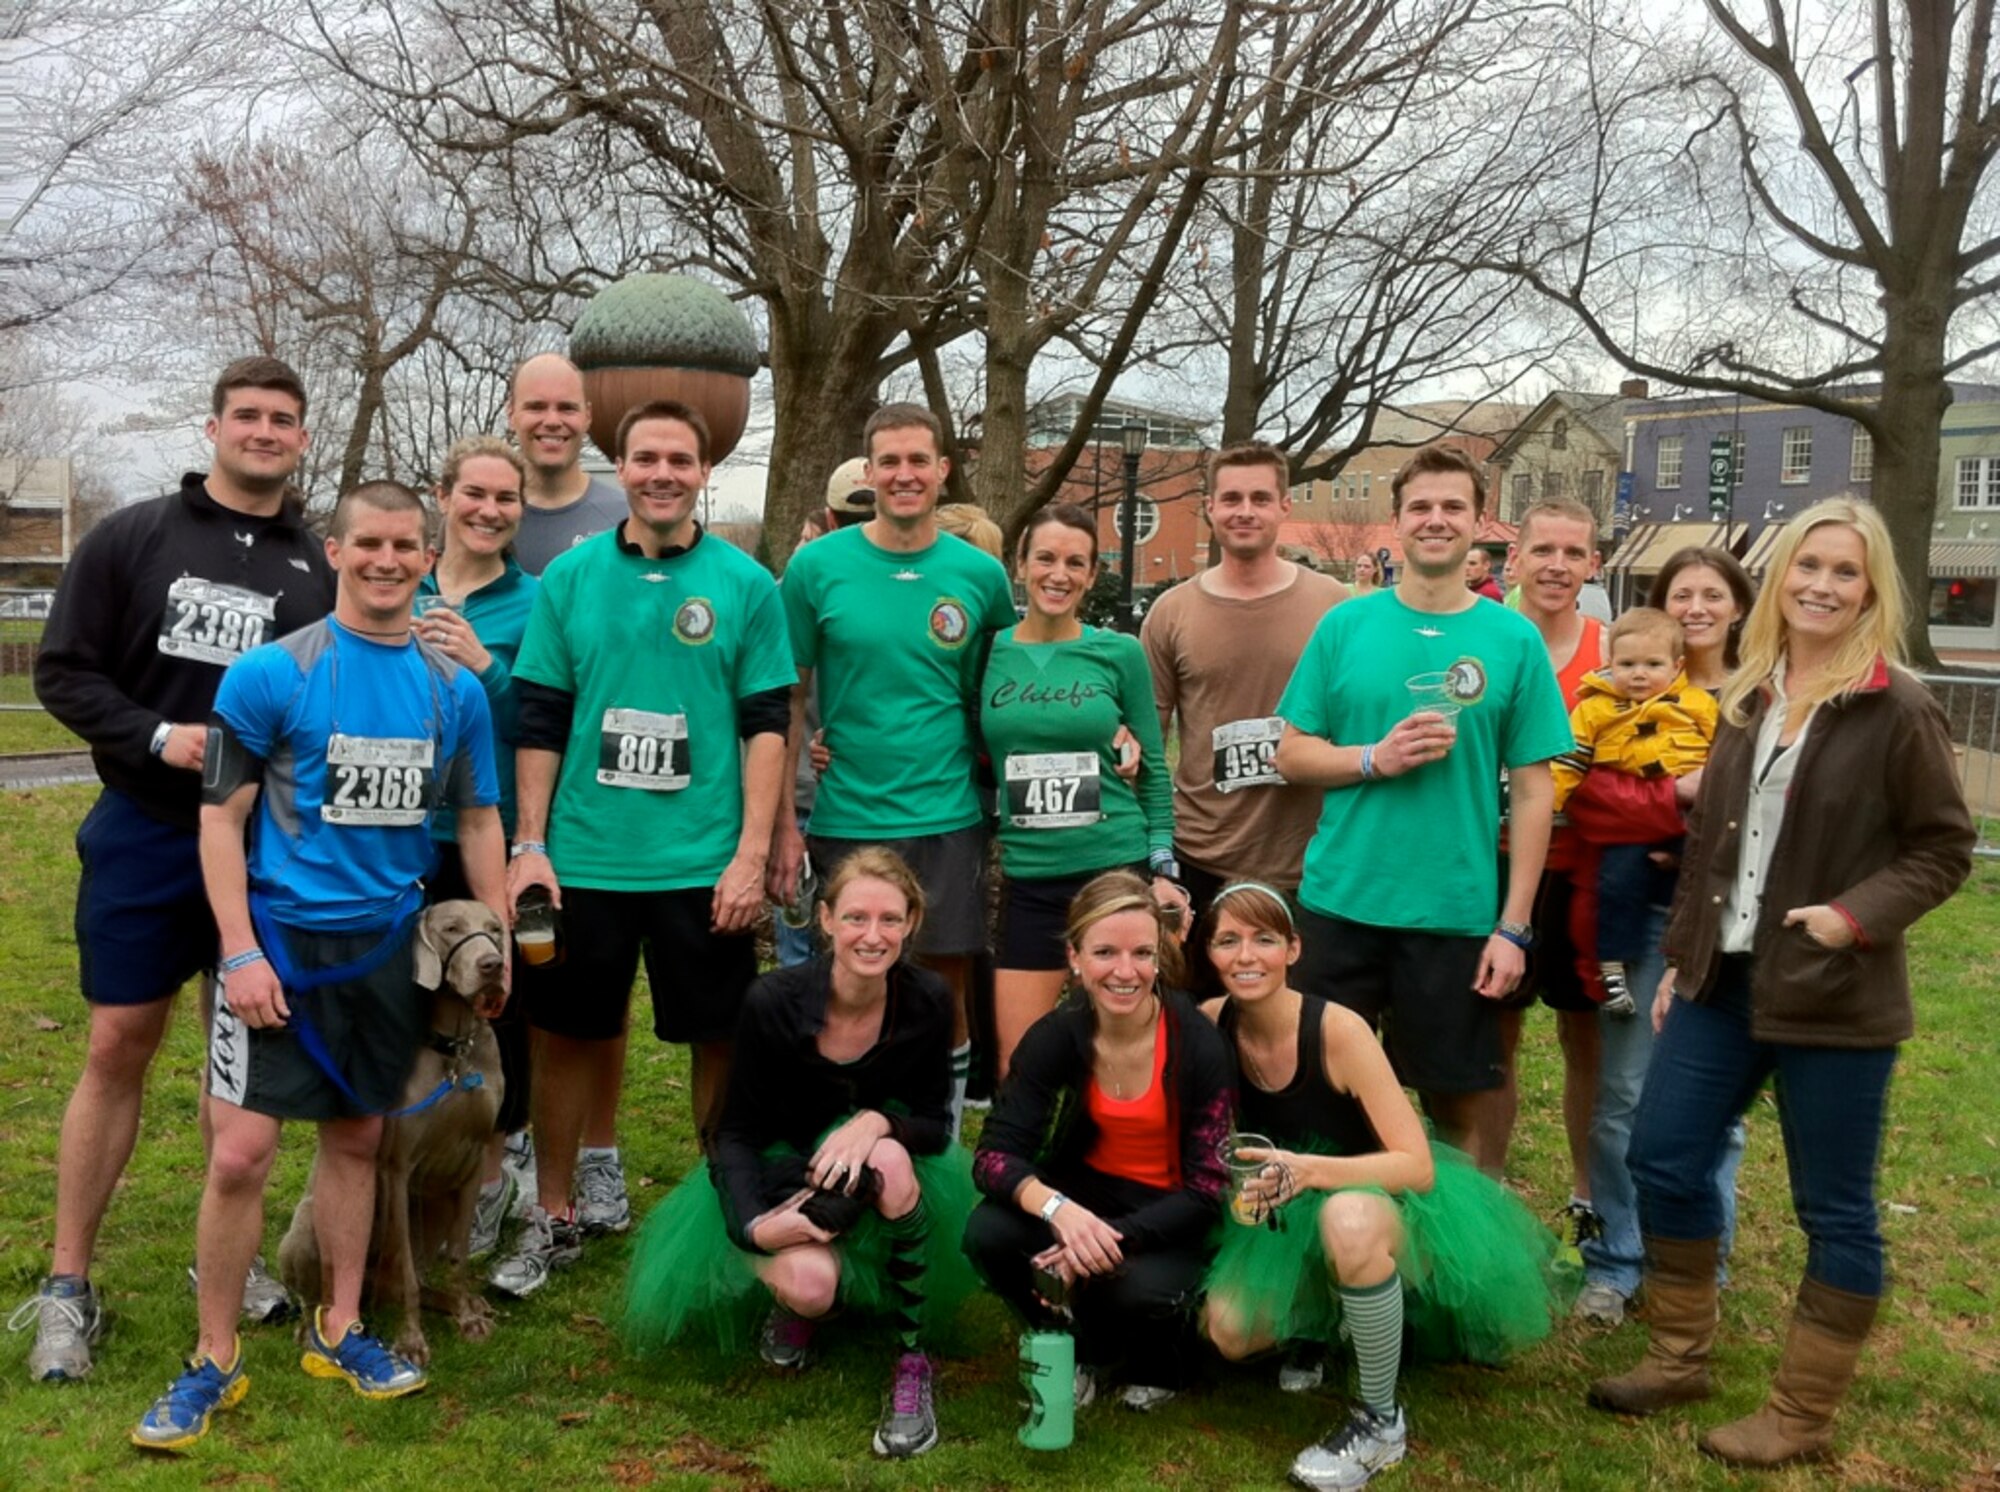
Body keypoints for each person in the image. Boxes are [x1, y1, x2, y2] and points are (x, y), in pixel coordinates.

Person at [1589, 500, 1974, 1468]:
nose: (1820, 585)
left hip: (1832, 988)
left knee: (1832, 1205)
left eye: (1844, 572)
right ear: (1781, 575)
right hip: (1721, 979)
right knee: (1664, 1155)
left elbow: (1940, 847)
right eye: (1807, 565)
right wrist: (1682, 958)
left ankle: (1799, 1416)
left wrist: (1853, 916)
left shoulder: (1896, 705)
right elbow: (1711, 842)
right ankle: (1679, 1353)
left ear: (1870, 589)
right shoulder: (1751, 693)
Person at [132, 481, 506, 1452]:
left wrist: (496, 934)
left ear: (429, 557)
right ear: (333, 550)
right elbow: (219, 818)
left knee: (354, 1145)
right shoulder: (266, 674)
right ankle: (212, 1357)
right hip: (279, 951)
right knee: (241, 1154)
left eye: (405, 547)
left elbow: (474, 818)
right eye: (367, 544)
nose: (387, 561)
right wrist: (241, 950)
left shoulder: (451, 690)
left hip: (388, 954)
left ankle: (339, 1326)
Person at [17, 357, 334, 1383]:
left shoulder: (318, 565)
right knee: (119, 1040)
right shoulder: (134, 537)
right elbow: (63, 669)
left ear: (301, 437)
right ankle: (68, 1283)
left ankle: (226, 1263)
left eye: (282, 419)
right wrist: (158, 737)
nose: (264, 431)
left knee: (238, 1056)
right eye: (247, 415)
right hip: (149, 831)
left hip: (265, 848)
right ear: (214, 428)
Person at [492, 399, 795, 1297]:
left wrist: (749, 855)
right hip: (587, 860)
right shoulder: (572, 578)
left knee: (720, 1042)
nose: (662, 472)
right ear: (617, 468)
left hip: (703, 867)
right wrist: (530, 843)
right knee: (564, 1039)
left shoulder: (747, 585)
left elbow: (766, 724)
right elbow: (541, 716)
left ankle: (719, 1208)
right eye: (644, 457)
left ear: (705, 472)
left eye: (680, 458)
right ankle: (553, 1215)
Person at [1196, 883, 1560, 1491]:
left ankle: (1379, 1419)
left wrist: (1310, 1172)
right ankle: (1319, 1323)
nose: (1246, 955)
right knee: (1230, 1334)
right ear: (1208, 954)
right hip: (1289, 1198)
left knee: (1348, 1222)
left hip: (1383, 1198)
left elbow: (1415, 1165)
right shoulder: (1212, 1022)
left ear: (1294, 948)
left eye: (1264, 939)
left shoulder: (1339, 1030)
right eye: (1228, 941)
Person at [623, 848, 976, 1459]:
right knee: (811, 1285)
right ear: (826, 919)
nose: (874, 935)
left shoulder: (927, 999)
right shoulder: (772, 1000)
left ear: (912, 922)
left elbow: (933, 1123)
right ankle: (795, 1299)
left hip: (883, 1170)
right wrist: (756, 1226)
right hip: (782, 1167)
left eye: (891, 919)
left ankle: (911, 1364)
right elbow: (732, 1132)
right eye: (857, 917)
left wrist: (874, 1122)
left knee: (891, 1160)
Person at [1274, 447, 1572, 1164]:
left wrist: (1515, 926)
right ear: (1398, 521)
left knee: (1454, 1110)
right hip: (1341, 902)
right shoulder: (1346, 625)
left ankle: (1445, 1267)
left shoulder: (1513, 638)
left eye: (1453, 508)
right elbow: (1290, 753)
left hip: (1454, 913)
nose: (1436, 520)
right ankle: (1332, 1251)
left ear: (1478, 524)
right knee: (1316, 1097)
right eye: (1421, 507)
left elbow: (1536, 790)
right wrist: (1375, 757)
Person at [773, 404, 1018, 1131]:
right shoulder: (816, 569)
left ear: (942, 469)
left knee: (942, 989)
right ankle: (838, 1131)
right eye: (890, 461)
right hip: (848, 815)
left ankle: (934, 1136)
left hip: (947, 816)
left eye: (919, 460)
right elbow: (786, 701)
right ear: (869, 471)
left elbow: (1003, 697)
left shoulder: (981, 575)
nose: (905, 475)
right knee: (849, 982)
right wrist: (786, 816)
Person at [1565, 547, 1755, 1327]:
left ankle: (1699, 1262)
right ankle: (1615, 1261)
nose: (1698, 607)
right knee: (1622, 1094)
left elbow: (1760, 810)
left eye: (1714, 594)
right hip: (1637, 912)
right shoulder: (1608, 696)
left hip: (1726, 915)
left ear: (1739, 606)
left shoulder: (1751, 699)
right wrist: (1674, 797)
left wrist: (1689, 830)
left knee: (1719, 1102)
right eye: (1683, 594)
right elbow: (1590, 803)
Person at [964, 871, 1233, 1413]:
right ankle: (1073, 1347)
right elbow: (993, 1157)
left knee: (1130, 1289)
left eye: (1141, 953)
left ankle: (1164, 1357)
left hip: (1171, 1213)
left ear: (1160, 958)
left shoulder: (1199, 1043)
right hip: (1085, 1198)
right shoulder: (1058, 1034)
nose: (1125, 971)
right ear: (1075, 958)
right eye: (1105, 952)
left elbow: (1208, 1190)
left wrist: (1109, 1238)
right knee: (988, 1231)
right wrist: (1062, 1211)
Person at [978, 503, 1180, 1077]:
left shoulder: (1119, 652)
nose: (1058, 574)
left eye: (1075, 562)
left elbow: (1156, 765)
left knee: (1124, 1051)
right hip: (1030, 873)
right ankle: (1024, 1165)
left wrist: (1162, 864)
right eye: (1045, 558)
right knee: (1016, 1062)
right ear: (1020, 565)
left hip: (1114, 865)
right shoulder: (986, 652)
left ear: (1093, 574)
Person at [414, 436, 540, 1257]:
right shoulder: (401, 584)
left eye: (506, 498)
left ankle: (494, 1177)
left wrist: (485, 665)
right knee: (411, 1002)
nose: (489, 511)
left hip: (487, 831)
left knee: (500, 1004)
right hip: (400, 835)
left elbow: (542, 719)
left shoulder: (538, 600)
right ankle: (410, 1163)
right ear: (445, 494)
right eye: (476, 494)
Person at [1141, 443, 1347, 917]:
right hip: (1203, 854)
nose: (1245, 511)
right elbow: (1151, 743)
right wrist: (1154, 856)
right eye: (1231, 499)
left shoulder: (1334, 606)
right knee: (1206, 996)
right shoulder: (1171, 612)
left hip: (1310, 859)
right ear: (1210, 507)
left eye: (1260, 498)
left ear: (1284, 506)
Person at [1494, 498, 1609, 1243]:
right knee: (1493, 1042)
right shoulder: (1483, 641)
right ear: (1516, 559)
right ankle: (1492, 1196)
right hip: (1493, 871)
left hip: (1586, 875)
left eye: (1573, 553)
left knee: (1585, 1041)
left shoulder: (1614, 647)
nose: (1557, 566)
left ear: (1593, 564)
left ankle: (1586, 1197)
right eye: (1543, 551)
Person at [1550, 607, 1719, 1016]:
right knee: (1617, 882)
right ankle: (1610, 963)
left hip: (1691, 817)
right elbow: (1570, 760)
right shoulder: (1595, 708)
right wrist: (1553, 802)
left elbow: (1723, 754)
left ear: (1676, 666)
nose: (1639, 674)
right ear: (1609, 664)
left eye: (1652, 664)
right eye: (1626, 665)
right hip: (1630, 824)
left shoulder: (1695, 704)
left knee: (1695, 875)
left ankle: (1687, 960)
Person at [505, 353, 627, 575]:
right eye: (536, 407)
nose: (552, 421)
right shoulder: (480, 519)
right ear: (511, 414)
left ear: (587, 416)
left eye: (567, 408)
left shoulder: (625, 519)